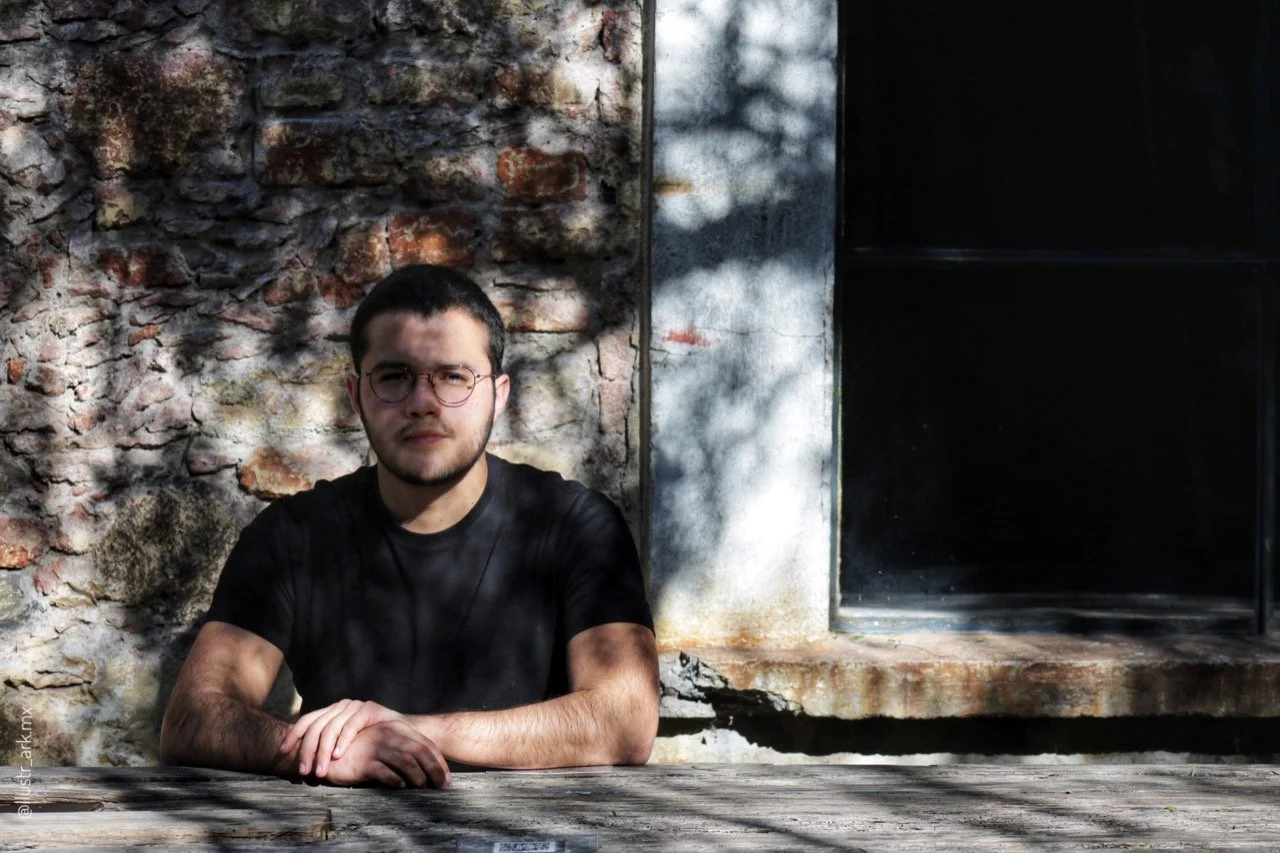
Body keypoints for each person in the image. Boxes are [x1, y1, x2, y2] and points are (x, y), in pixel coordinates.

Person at [160, 264, 659, 789]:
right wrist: (325, 754)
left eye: (453, 377)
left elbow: (625, 719)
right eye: (394, 377)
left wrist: (410, 732)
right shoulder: (292, 538)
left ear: (500, 394)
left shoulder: (577, 527)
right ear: (356, 396)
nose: (424, 402)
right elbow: (191, 718)